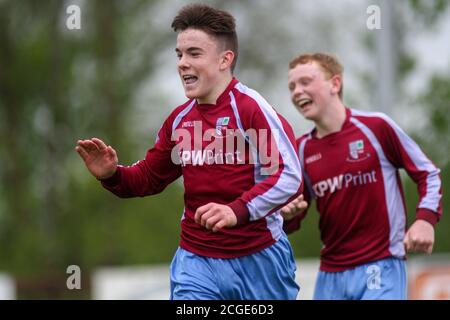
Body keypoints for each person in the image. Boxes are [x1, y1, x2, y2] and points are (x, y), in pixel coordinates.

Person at [75, 4, 303, 300]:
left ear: (225, 59)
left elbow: (289, 175)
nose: (182, 63)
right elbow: (149, 178)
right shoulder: (180, 121)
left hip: (259, 258)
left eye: (194, 54)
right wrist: (112, 175)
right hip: (197, 259)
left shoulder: (251, 110)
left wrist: (236, 210)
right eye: (179, 54)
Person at [282, 52, 443, 300]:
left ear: (335, 84)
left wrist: (425, 219)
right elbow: (293, 216)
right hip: (330, 274)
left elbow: (428, 173)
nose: (296, 91)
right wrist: (287, 216)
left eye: (306, 82)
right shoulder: (301, 149)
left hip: (380, 265)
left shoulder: (376, 127)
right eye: (292, 86)